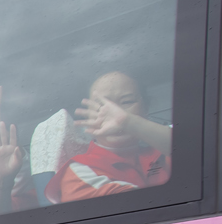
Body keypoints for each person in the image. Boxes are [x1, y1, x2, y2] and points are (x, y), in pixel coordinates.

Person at [51, 70, 172, 202]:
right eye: (101, 106)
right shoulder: (79, 173)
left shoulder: (163, 151)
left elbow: (189, 147)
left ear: (145, 109)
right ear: (87, 115)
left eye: (127, 102)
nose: (115, 113)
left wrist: (128, 121)